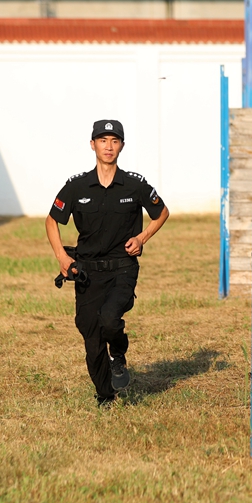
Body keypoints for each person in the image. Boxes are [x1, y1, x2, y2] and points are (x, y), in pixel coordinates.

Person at [45, 120, 169, 406]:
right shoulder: (76, 186)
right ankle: (105, 395)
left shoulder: (135, 184)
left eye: (114, 141)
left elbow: (161, 212)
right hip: (87, 272)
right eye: (103, 140)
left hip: (122, 268)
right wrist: (63, 258)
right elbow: (52, 220)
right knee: (90, 334)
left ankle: (119, 353)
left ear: (121, 146)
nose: (108, 146)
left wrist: (142, 238)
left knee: (110, 318)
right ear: (93, 145)